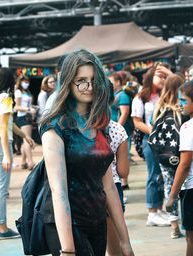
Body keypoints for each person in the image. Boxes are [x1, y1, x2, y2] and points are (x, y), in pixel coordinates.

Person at [40, 49, 134, 256]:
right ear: (67, 82)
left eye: (93, 80)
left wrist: (125, 241)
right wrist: (67, 250)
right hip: (68, 225)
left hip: (98, 221)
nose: (89, 87)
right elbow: (59, 191)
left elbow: (109, 187)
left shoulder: (100, 123)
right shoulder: (55, 126)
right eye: (81, 80)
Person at [0, 68, 35, 239]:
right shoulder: (7, 98)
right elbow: (4, 128)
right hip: (1, 144)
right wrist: (7, 155)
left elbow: (8, 124)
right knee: (1, 189)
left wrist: (25, 136)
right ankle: (3, 228)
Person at [131, 63, 172, 227]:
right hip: (151, 141)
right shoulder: (140, 97)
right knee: (154, 175)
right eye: (159, 76)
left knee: (162, 176)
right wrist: (153, 132)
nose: (162, 79)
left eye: (165, 77)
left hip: (166, 142)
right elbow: (137, 122)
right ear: (150, 77)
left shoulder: (167, 95)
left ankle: (159, 209)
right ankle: (152, 213)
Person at [152, 74, 185, 238]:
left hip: (164, 156)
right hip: (183, 155)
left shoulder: (159, 107)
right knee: (184, 186)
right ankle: (186, 221)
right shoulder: (184, 108)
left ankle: (174, 226)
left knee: (169, 187)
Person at [166, 81, 193, 256]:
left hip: (191, 190)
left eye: (184, 101)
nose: (180, 105)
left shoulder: (188, 128)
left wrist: (172, 195)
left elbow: (184, 164)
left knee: (191, 238)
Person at [107, 81, 130, 256]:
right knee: (115, 243)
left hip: (83, 189)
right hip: (113, 189)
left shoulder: (80, 127)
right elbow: (123, 172)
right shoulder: (117, 130)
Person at [108, 72, 132, 190]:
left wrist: (117, 128)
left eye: (112, 82)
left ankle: (124, 183)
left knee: (122, 156)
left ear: (118, 82)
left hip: (119, 132)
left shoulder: (122, 96)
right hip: (114, 130)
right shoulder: (115, 95)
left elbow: (125, 113)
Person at [14, 75, 36, 170]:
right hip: (23, 117)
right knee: (27, 139)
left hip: (27, 116)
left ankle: (23, 162)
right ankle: (30, 162)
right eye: (25, 81)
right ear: (20, 82)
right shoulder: (18, 92)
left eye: (28, 81)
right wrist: (29, 109)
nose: (26, 83)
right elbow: (17, 107)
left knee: (26, 139)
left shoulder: (26, 92)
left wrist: (33, 108)